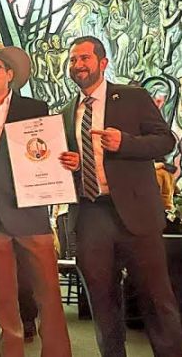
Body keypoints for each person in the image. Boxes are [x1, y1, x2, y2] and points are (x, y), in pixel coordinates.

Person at [59, 35, 182, 357]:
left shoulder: (132, 97)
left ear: (103, 62)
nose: (78, 65)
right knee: (102, 300)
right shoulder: (67, 111)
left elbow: (166, 141)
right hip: (90, 213)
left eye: (84, 58)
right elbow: (72, 160)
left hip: (136, 214)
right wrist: (73, 163)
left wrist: (125, 142)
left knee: (157, 298)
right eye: (73, 59)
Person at [0, 41, 71, 357]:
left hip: (30, 211)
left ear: (10, 74)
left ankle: (58, 352)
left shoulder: (35, 108)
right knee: (1, 299)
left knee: (48, 293)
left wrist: (63, 163)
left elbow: (48, 151)